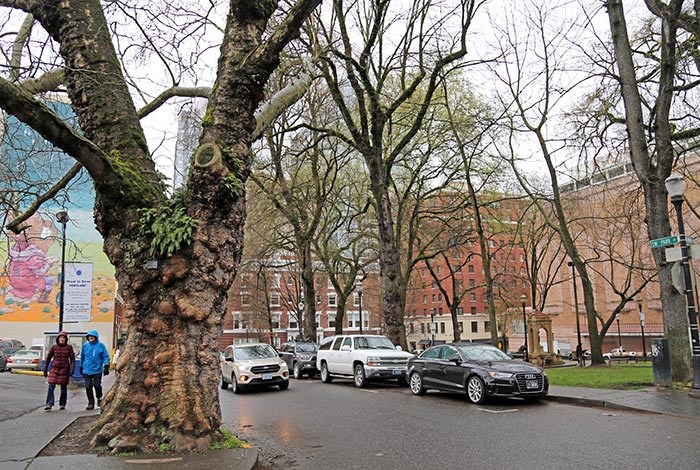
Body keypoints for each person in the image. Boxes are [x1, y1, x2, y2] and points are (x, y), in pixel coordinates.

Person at [43, 331, 75, 411]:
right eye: (60, 337)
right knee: (51, 386)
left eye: (63, 338)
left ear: (66, 339)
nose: (62, 339)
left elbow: (72, 359)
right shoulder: (54, 347)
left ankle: (62, 404)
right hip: (54, 368)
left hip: (64, 369)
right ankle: (49, 404)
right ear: (58, 338)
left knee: (63, 388)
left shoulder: (69, 347)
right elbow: (48, 358)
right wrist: (45, 368)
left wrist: (72, 369)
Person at [80, 330, 110, 410]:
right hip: (87, 369)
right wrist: (81, 366)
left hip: (97, 370)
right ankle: (91, 403)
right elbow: (82, 357)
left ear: (95, 337)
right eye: (89, 337)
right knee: (88, 386)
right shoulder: (85, 346)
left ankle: (99, 397)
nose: (91, 338)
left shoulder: (101, 346)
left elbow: (105, 356)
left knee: (97, 385)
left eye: (92, 337)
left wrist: (106, 365)